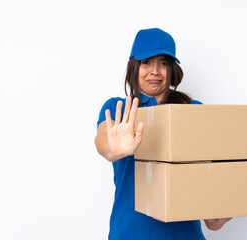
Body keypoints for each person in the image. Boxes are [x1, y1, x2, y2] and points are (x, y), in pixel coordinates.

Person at [95, 28, 232, 240]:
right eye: (147, 62)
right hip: (130, 234)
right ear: (134, 66)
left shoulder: (193, 110)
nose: (155, 71)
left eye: (164, 63)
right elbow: (103, 142)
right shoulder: (119, 108)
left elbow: (210, 207)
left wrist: (218, 216)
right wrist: (113, 149)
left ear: (172, 69)